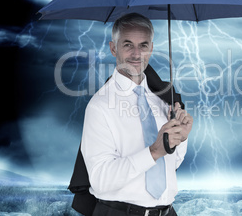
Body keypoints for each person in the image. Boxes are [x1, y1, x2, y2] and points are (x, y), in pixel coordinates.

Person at [80, 13, 193, 216]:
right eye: (127, 45)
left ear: (151, 48)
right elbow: (101, 180)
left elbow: (171, 164)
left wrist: (180, 139)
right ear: (113, 48)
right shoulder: (100, 106)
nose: (136, 54)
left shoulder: (163, 100)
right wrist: (153, 151)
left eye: (143, 45)